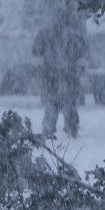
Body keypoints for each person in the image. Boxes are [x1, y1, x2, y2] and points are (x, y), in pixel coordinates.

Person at [33, 7, 89, 138]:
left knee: (53, 104)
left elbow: (37, 56)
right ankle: (70, 128)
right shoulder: (74, 37)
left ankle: (50, 129)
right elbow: (82, 57)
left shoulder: (45, 35)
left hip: (53, 76)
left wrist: (42, 72)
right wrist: (79, 73)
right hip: (66, 76)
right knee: (67, 103)